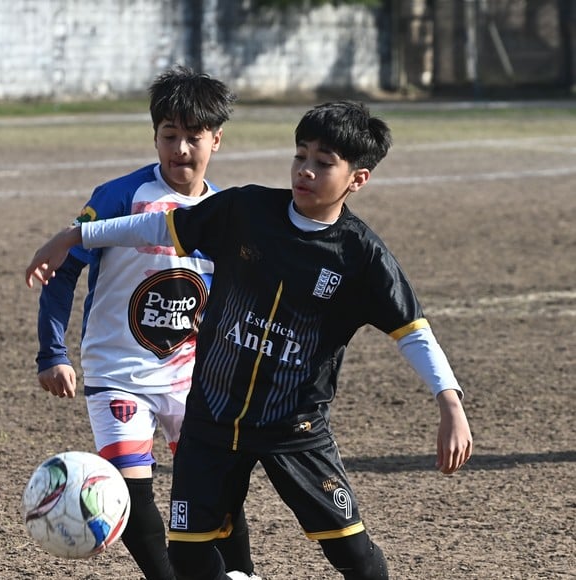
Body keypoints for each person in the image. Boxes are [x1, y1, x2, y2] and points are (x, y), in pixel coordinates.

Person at [26, 100, 473, 580]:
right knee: (190, 554)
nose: (304, 171)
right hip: (211, 419)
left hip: (293, 429)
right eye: (300, 156)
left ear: (357, 178)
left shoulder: (362, 257)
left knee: (354, 556)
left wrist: (449, 402)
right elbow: (161, 225)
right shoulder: (245, 208)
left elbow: (413, 333)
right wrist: (77, 236)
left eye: (323, 164)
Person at [33, 65, 258, 580]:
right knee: (131, 493)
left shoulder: (223, 213)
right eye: (169, 136)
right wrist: (52, 353)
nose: (180, 149)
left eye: (193, 138)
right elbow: (62, 270)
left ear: (216, 140)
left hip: (190, 377)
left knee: (216, 488)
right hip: (118, 371)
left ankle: (243, 574)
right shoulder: (120, 197)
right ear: (154, 136)